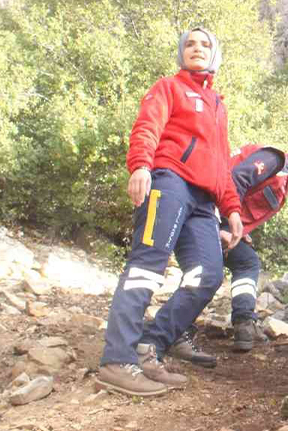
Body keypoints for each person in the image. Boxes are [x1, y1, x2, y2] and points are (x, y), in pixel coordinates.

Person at [96, 27, 244, 397]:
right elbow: (148, 125)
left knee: (208, 274)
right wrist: (141, 165)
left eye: (205, 44)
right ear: (181, 53)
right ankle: (117, 360)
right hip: (169, 181)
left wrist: (233, 209)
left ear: (216, 55)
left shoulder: (217, 106)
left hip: (204, 200)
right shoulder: (169, 87)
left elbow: (222, 163)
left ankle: (150, 347)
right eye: (190, 44)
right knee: (147, 267)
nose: (197, 48)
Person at [168, 138, 288, 367]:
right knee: (209, 271)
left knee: (247, 261)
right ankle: (174, 331)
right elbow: (235, 178)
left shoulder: (283, 180)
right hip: (202, 213)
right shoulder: (274, 161)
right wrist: (224, 224)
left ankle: (244, 324)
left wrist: (236, 229)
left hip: (216, 219)